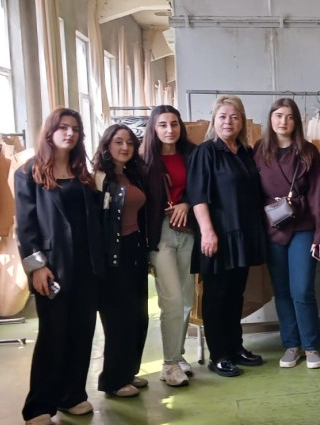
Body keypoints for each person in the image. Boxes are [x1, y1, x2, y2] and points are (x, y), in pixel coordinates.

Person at [16, 108, 105, 425]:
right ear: (50, 131)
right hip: (53, 268)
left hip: (87, 266)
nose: (70, 133)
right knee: (53, 336)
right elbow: (25, 227)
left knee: (83, 332)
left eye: (76, 129)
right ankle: (39, 406)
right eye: (63, 127)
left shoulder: (83, 173)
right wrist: (36, 267)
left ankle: (72, 395)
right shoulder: (29, 173)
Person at [187, 95, 267, 377]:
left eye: (234, 117)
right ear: (214, 120)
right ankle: (219, 354)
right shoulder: (206, 152)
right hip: (218, 235)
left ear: (242, 121)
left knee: (235, 295)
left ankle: (235, 347)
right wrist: (207, 232)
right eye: (222, 116)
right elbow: (198, 196)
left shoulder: (245, 152)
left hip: (242, 235)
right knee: (217, 297)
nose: (228, 122)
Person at [254, 98, 320, 369]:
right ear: (270, 119)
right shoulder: (259, 150)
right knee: (282, 291)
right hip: (272, 226)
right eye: (278, 115)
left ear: (296, 121)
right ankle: (291, 344)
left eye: (289, 116)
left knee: (302, 289)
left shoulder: (308, 152)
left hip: (303, 227)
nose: (283, 121)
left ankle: (310, 346)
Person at [141, 105, 199, 387]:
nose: (169, 130)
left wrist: (186, 203)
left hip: (187, 230)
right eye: (162, 124)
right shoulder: (143, 161)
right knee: (172, 298)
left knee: (187, 298)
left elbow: (201, 187)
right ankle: (168, 364)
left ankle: (177, 354)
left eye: (174, 124)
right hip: (160, 233)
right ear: (153, 128)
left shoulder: (192, 154)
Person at [91, 124, 149, 398]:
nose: (125, 147)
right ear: (107, 145)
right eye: (118, 142)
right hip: (113, 255)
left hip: (135, 249)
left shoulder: (130, 174)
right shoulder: (98, 178)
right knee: (118, 318)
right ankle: (113, 380)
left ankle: (127, 371)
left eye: (129, 143)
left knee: (138, 316)